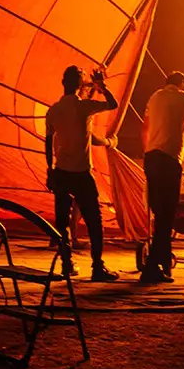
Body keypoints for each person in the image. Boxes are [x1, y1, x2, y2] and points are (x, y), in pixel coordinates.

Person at [44, 65, 120, 281]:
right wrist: (101, 86)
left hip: (61, 172)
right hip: (81, 174)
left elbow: (48, 143)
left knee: (62, 221)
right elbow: (113, 104)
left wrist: (49, 170)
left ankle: (67, 264)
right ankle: (97, 266)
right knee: (94, 222)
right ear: (80, 86)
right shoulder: (84, 107)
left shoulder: (54, 110)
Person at [140, 71, 184, 284]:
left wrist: (147, 152)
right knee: (167, 215)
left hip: (151, 157)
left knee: (159, 213)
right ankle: (151, 267)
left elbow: (145, 128)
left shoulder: (155, 96)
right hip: (169, 159)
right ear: (183, 84)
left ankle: (163, 261)